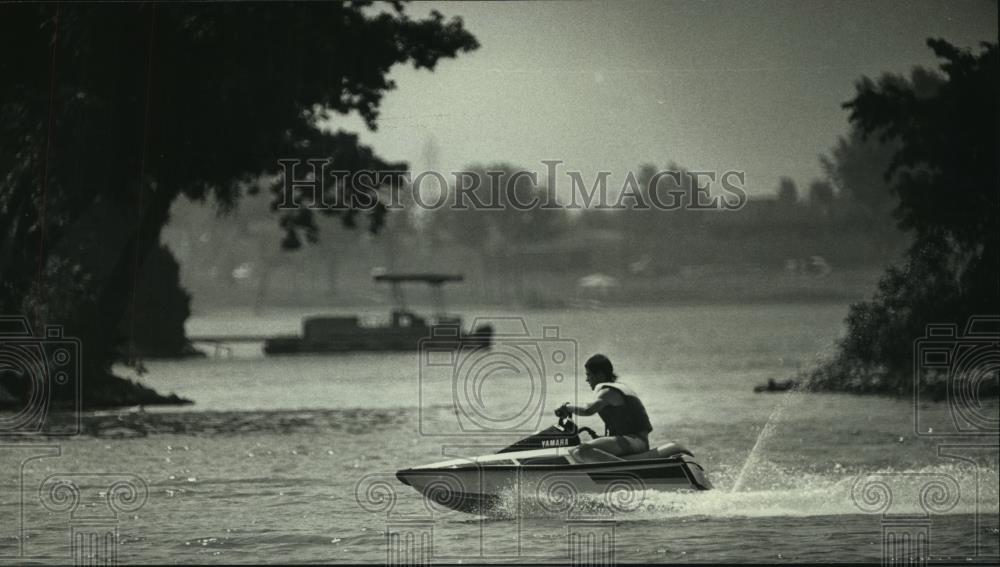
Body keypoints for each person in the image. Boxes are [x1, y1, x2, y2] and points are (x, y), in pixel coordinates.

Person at [556, 354, 652, 462]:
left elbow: (588, 409)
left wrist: (566, 407)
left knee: (581, 451)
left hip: (635, 441)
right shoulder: (618, 388)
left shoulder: (608, 392)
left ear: (600, 375)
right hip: (635, 441)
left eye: (589, 375)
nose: (587, 380)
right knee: (582, 449)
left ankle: (628, 473)